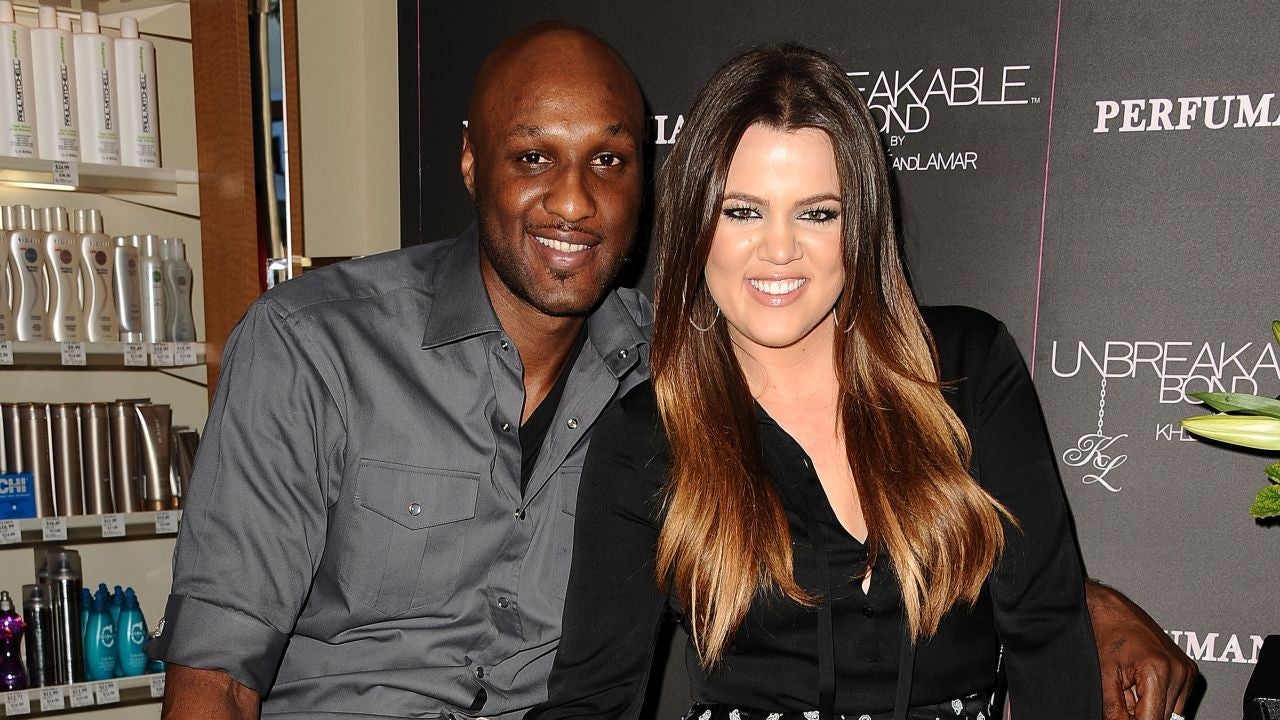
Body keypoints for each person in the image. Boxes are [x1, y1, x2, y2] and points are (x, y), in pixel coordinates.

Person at [147, 22, 1194, 720]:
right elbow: (214, 675)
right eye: (532, 156)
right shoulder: (318, 345)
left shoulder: (666, 365)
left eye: (607, 159)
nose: (572, 199)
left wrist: (1084, 602)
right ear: (470, 160)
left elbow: (964, 550)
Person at [525, 44, 1186, 720]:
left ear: (861, 225)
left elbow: (1047, 631)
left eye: (817, 213)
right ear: (696, 223)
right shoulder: (646, 438)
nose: (779, 250)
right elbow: (591, 701)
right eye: (743, 211)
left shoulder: (967, 367)